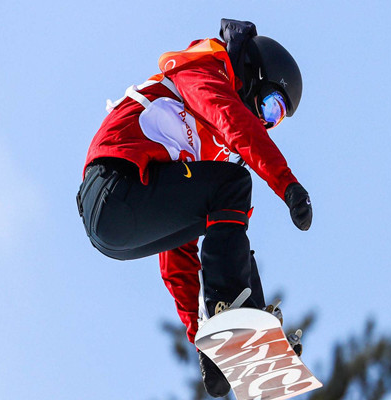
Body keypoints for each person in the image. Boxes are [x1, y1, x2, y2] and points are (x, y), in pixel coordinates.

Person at [76, 18, 312, 397]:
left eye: (276, 120)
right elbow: (233, 120)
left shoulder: (201, 147)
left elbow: (177, 252)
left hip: (121, 221)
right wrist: (287, 184)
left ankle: (236, 329)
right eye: (270, 107)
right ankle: (233, 308)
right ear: (253, 75)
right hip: (114, 184)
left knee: (228, 230)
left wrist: (199, 335)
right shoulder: (204, 69)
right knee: (233, 184)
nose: (267, 123)